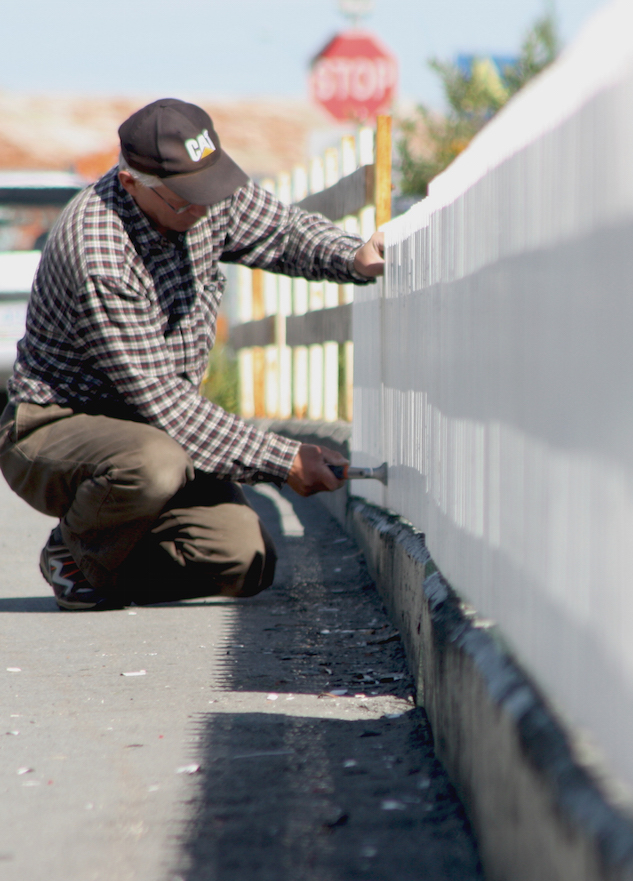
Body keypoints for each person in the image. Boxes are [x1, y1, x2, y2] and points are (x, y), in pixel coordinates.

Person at [0, 98, 385, 612]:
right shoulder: (99, 250)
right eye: (187, 199)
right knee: (154, 464)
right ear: (133, 183)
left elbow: (285, 232)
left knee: (243, 559)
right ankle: (76, 554)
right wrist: (285, 459)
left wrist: (353, 256)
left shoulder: (201, 189)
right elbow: (165, 403)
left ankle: (110, 558)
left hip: (156, 431)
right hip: (57, 426)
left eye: (211, 188)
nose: (205, 207)